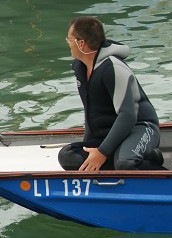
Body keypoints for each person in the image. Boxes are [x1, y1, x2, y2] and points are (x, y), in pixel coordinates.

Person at [58, 16, 164, 171]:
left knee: (125, 164)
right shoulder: (79, 67)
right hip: (111, 131)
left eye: (69, 39)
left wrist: (101, 153)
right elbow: (91, 113)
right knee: (67, 157)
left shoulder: (113, 68)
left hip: (140, 126)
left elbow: (128, 116)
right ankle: (134, 157)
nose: (68, 42)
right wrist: (92, 148)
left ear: (81, 44)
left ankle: (160, 167)